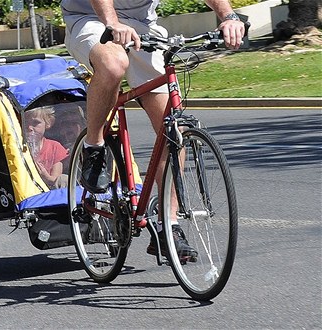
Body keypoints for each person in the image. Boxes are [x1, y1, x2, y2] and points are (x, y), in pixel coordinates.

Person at [60, 0, 246, 258]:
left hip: (143, 26)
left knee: (173, 128)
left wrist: (228, 16)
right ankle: (93, 147)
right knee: (114, 64)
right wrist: (112, 23)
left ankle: (168, 226)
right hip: (90, 18)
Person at [24, 107, 69, 188]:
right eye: (26, 122)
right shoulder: (20, 146)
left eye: (36, 123)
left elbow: (56, 181)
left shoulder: (55, 147)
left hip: (46, 193)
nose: (30, 127)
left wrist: (45, 177)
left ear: (48, 123)